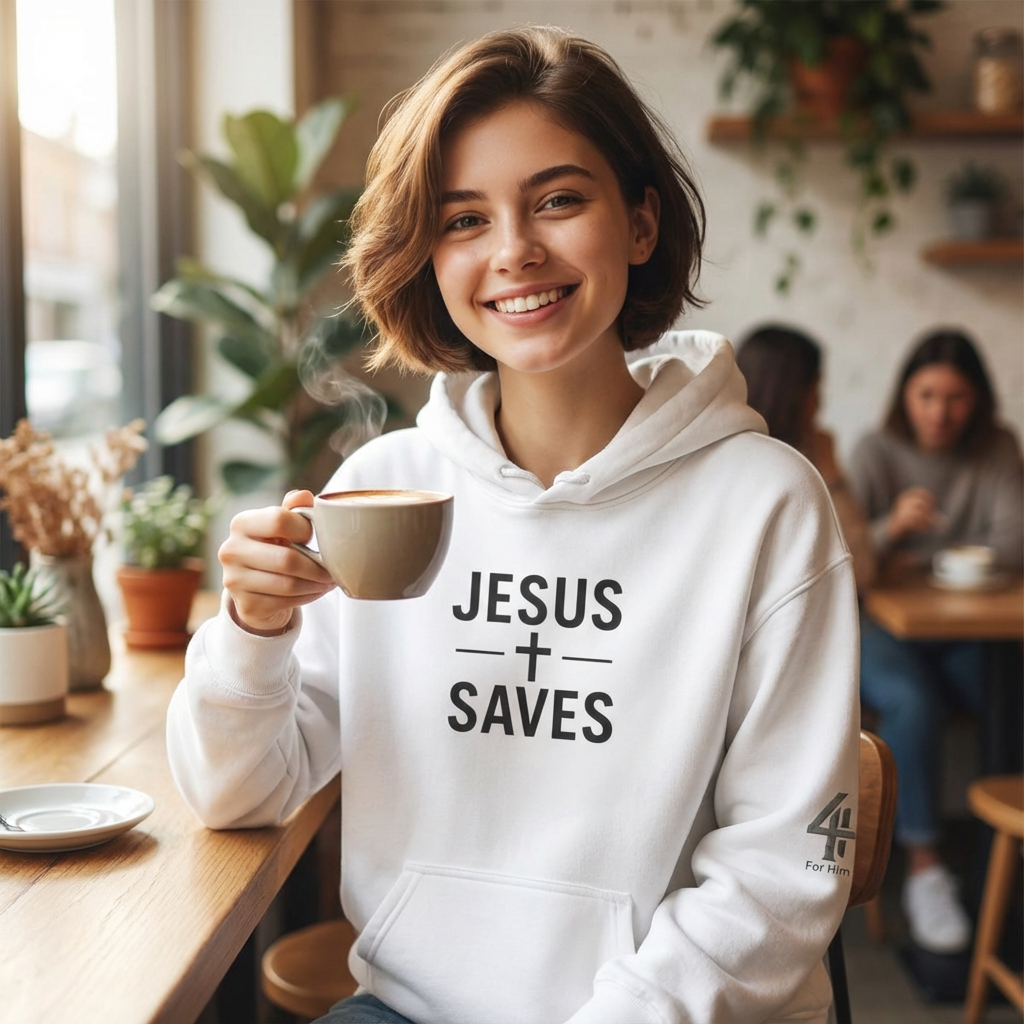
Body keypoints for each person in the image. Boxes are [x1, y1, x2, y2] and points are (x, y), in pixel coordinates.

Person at [167, 27, 860, 1024]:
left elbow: (782, 870)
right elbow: (238, 793)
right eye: (463, 219)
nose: (513, 252)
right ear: (429, 255)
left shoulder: (766, 505)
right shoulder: (382, 486)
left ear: (639, 221)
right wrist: (252, 630)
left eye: (558, 200)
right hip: (411, 1005)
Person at [850, 329, 1024, 956]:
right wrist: (890, 528)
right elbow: (846, 558)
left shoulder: (998, 447)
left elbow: (1014, 542)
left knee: (1010, 688)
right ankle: (925, 867)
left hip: (965, 631)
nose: (940, 412)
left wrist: (917, 560)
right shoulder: (875, 451)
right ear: (906, 394)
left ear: (977, 401)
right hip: (878, 627)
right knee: (911, 702)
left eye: (955, 398)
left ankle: (1006, 868)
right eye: (927, 395)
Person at [736, 325, 876, 593]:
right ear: (790, 393)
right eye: (815, 388)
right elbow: (858, 574)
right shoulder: (746, 461)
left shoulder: (812, 452)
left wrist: (830, 469)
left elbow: (862, 572)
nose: (820, 403)